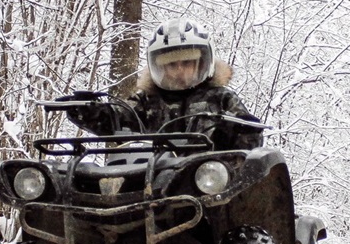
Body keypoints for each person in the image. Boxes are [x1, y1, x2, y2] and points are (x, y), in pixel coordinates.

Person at [64, 18, 265, 150]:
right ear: (158, 67)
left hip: (208, 181)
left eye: (187, 63)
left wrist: (239, 132)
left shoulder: (221, 98)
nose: (179, 70)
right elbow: (117, 118)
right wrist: (88, 110)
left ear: (202, 63)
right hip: (149, 179)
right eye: (170, 64)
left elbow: (249, 144)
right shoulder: (146, 100)